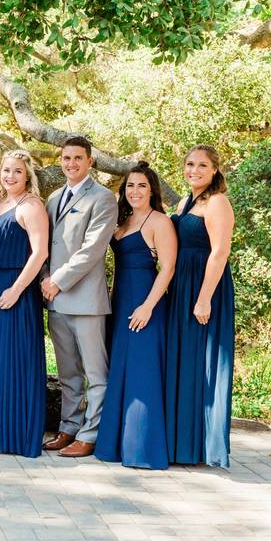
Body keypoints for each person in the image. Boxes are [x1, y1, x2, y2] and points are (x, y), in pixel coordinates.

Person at [95, 163, 177, 470]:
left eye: (142, 186)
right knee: (121, 371)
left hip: (147, 304)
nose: (135, 191)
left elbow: (167, 268)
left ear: (152, 190)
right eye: (130, 186)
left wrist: (147, 306)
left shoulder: (160, 222)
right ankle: (115, 445)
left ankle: (142, 450)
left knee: (143, 374)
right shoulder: (123, 220)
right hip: (122, 300)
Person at [41, 136, 117, 458]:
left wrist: (57, 280)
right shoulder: (53, 198)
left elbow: (92, 251)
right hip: (55, 300)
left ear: (90, 162)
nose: (70, 164)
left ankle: (90, 434)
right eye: (66, 158)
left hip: (85, 301)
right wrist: (45, 279)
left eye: (77, 158)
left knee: (95, 374)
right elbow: (44, 246)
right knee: (69, 373)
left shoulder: (103, 198)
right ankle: (68, 428)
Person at [165, 145, 235, 468]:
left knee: (203, 362)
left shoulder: (218, 202)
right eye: (190, 164)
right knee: (185, 361)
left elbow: (220, 252)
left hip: (204, 288)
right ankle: (183, 443)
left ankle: (203, 445)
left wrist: (205, 296)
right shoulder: (186, 200)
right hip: (182, 286)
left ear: (214, 170)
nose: (194, 170)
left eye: (202, 166)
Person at [0, 150, 50, 457]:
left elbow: (40, 253)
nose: (10, 176)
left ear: (27, 176)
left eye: (17, 171)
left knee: (14, 361)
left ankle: (16, 435)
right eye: (6, 170)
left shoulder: (31, 206)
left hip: (16, 290)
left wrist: (17, 290)